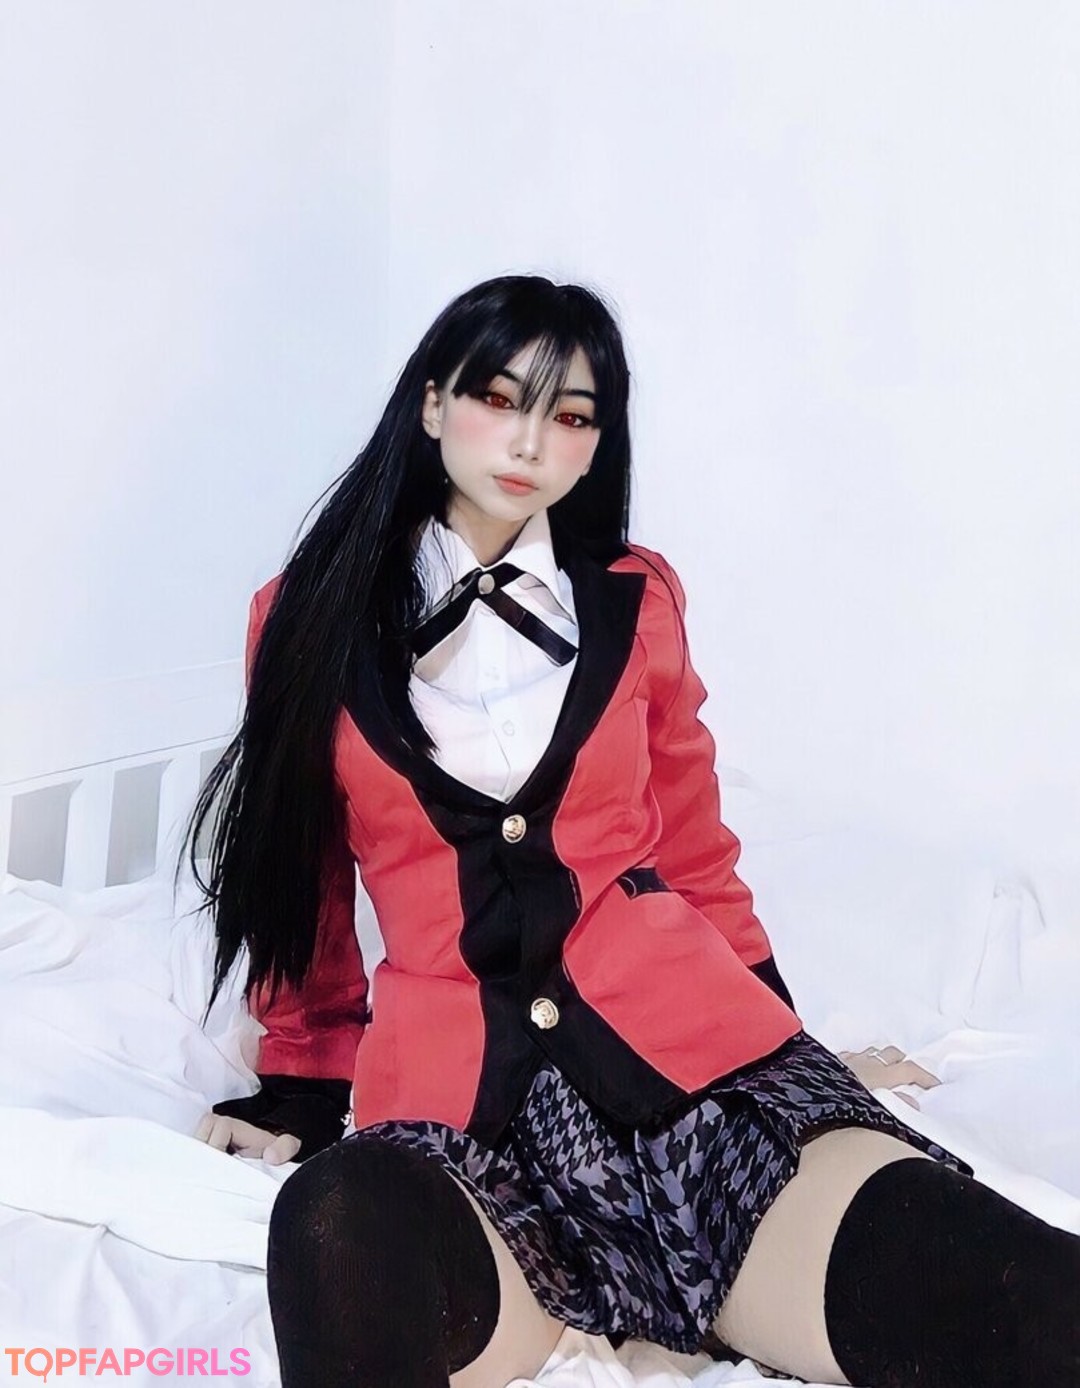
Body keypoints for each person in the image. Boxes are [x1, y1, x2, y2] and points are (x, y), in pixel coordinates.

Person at [185, 275, 1080, 1388]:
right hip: (467, 1128)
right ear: (431, 403)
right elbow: (297, 876)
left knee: (1030, 1299)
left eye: (570, 416)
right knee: (334, 1226)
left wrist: (783, 1034)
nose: (530, 441)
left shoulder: (635, 598)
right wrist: (303, 1079)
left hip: (700, 1081)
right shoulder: (302, 615)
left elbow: (695, 853)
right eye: (499, 398)